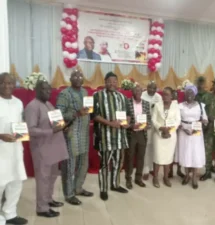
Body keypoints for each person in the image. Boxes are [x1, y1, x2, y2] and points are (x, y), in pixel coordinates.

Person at [24, 80, 69, 218]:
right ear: (37, 90)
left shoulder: (49, 104)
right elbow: (30, 130)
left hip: (53, 147)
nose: (47, 92)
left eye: (49, 90)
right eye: (44, 89)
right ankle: (42, 208)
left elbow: (54, 123)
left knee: (52, 176)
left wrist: (62, 126)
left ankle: (48, 199)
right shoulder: (32, 106)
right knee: (43, 178)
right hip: (41, 148)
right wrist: (51, 131)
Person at [56, 70, 93, 205]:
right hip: (71, 134)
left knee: (84, 164)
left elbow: (88, 111)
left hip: (84, 133)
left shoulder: (85, 92)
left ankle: (78, 188)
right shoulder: (64, 94)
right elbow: (58, 114)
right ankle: (69, 194)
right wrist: (76, 113)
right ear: (70, 79)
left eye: (80, 76)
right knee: (69, 166)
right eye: (75, 76)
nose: (78, 78)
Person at [93, 72, 130, 201]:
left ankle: (115, 184)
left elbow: (129, 113)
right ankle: (103, 189)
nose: (112, 83)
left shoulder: (122, 97)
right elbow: (94, 115)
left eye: (115, 81)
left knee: (118, 163)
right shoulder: (97, 96)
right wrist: (110, 123)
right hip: (105, 138)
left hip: (120, 138)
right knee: (104, 164)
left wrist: (127, 123)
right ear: (105, 82)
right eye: (110, 81)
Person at [0, 73, 27, 225]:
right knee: (0, 183)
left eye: (10, 83)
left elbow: (20, 123)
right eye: (3, 83)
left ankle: (10, 213)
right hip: (1, 150)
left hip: (16, 149)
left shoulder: (18, 103)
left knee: (16, 181)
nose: (7, 86)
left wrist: (22, 131)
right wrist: (0, 136)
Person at [177, 85, 208, 189]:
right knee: (186, 153)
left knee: (195, 154)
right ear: (184, 94)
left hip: (196, 132)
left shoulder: (200, 105)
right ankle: (186, 175)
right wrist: (182, 127)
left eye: (191, 93)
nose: (189, 95)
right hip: (184, 131)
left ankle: (194, 177)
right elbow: (177, 120)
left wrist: (203, 122)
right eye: (187, 92)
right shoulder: (180, 106)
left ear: (195, 94)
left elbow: (205, 119)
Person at [152, 87, 181, 188]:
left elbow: (178, 120)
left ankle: (166, 177)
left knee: (168, 157)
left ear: (172, 96)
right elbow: (153, 119)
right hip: (159, 134)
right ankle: (155, 177)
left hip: (171, 135)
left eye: (167, 94)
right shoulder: (157, 105)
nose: (165, 96)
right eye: (163, 94)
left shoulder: (175, 106)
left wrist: (169, 129)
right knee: (158, 156)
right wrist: (161, 128)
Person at [125, 85, 151, 189]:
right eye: (136, 90)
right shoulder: (127, 102)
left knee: (141, 157)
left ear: (142, 92)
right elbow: (124, 120)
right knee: (130, 157)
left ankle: (138, 178)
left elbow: (149, 118)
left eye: (140, 90)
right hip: (131, 133)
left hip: (142, 134)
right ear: (132, 91)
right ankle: (128, 179)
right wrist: (132, 126)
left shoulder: (146, 103)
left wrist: (147, 125)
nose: (138, 92)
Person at [141, 81, 162, 180]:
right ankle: (145, 168)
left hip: (156, 125)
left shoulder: (158, 97)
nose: (152, 90)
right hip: (146, 125)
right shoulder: (142, 95)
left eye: (154, 88)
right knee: (146, 147)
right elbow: (140, 111)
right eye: (150, 88)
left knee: (155, 146)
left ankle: (153, 168)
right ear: (147, 87)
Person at [195, 76, 215, 173]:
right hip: (197, 124)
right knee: (196, 145)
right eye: (199, 83)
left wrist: (208, 123)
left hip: (208, 123)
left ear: (205, 85)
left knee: (208, 146)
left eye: (202, 83)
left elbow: (211, 110)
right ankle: (196, 165)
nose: (200, 85)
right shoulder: (194, 95)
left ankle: (209, 166)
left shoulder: (209, 95)